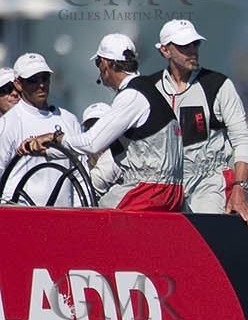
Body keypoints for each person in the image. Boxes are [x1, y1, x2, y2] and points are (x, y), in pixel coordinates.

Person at [22, 33, 184, 211]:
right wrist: (46, 150)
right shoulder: (148, 90)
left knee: (91, 215)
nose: (99, 69)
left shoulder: (131, 96)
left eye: (97, 63)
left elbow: (91, 143)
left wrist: (55, 138)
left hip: (149, 191)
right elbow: (98, 150)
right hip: (172, 193)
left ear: (106, 64)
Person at [156, 18, 248, 226]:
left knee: (207, 232)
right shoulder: (151, 88)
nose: (193, 51)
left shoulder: (219, 85)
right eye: (184, 46)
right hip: (163, 183)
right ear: (165, 51)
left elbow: (242, 140)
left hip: (209, 183)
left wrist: (239, 187)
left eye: (195, 44)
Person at [0, 52, 88, 206]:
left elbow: (80, 174)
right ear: (18, 84)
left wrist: (84, 211)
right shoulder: (8, 123)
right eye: (33, 80)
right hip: (21, 214)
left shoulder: (69, 120)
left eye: (45, 78)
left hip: (64, 215)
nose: (41, 85)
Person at [78, 102, 120, 198]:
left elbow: (93, 186)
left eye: (99, 126)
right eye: (90, 128)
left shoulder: (120, 156)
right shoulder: (82, 159)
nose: (96, 133)